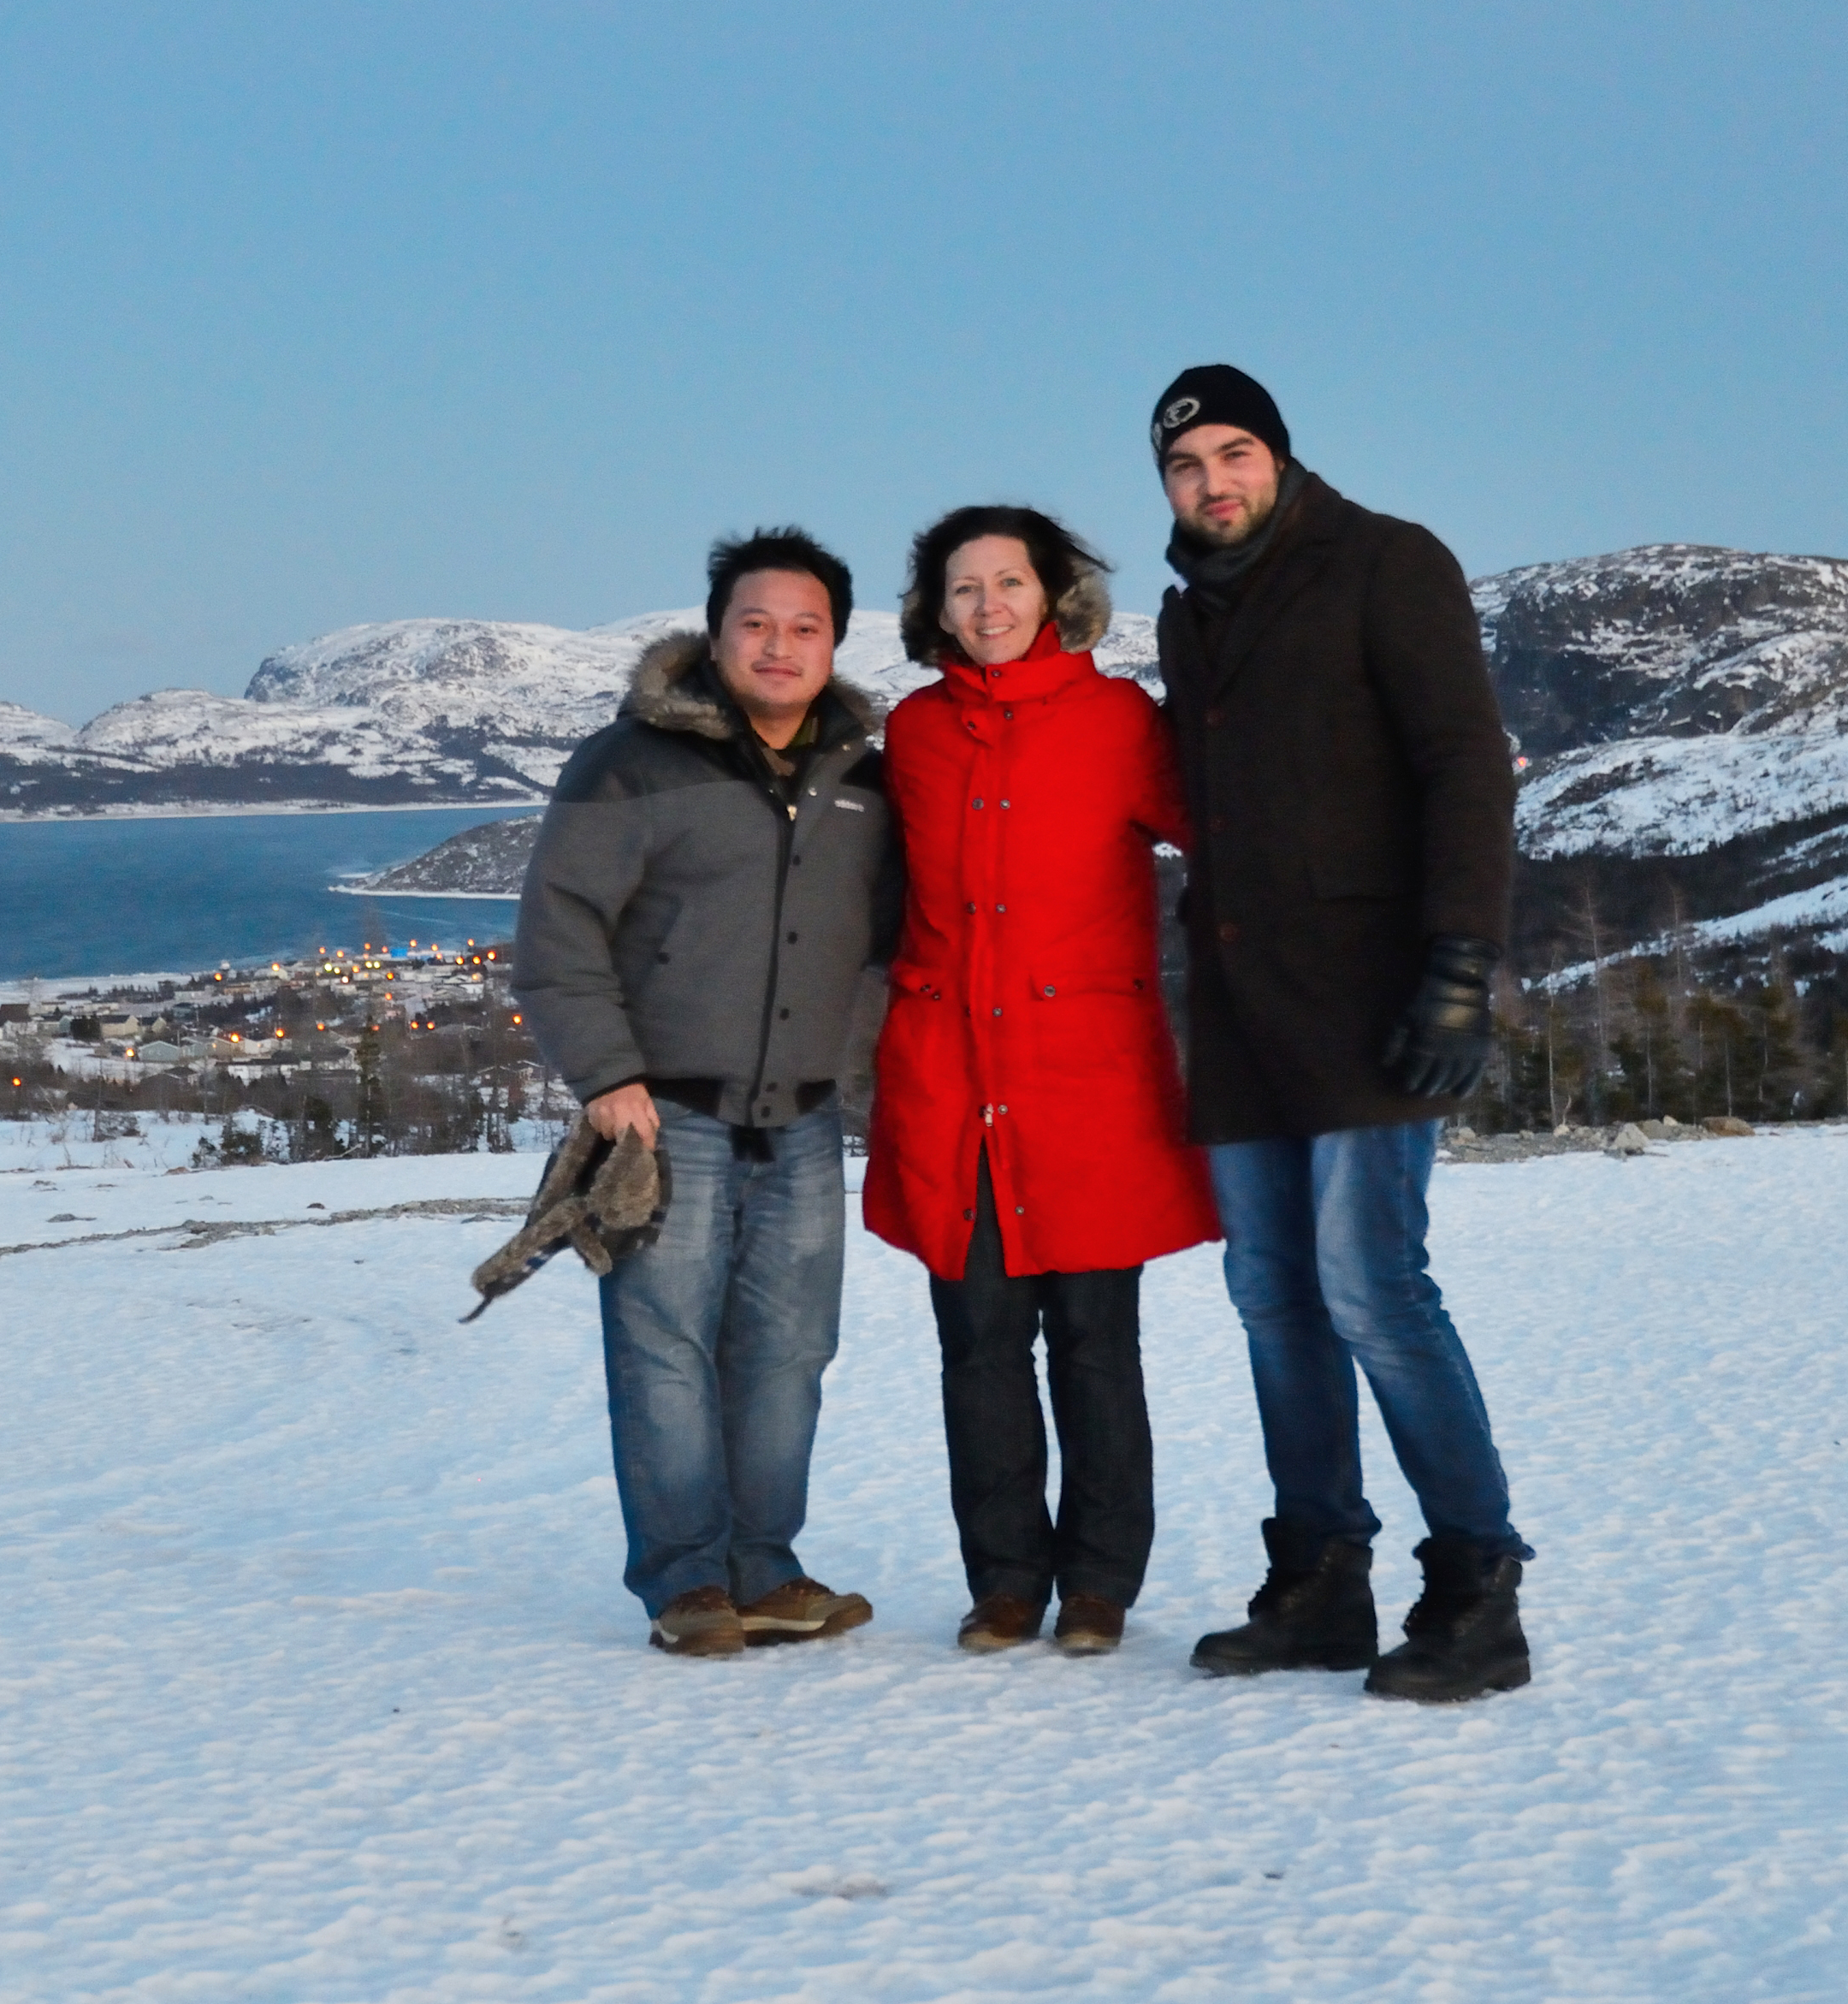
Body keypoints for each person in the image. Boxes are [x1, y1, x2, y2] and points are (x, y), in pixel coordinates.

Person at [1149, 363, 1536, 1703]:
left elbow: (1465, 763)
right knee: (1272, 1295)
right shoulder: (1190, 611)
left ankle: (1477, 1586)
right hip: (1245, 1013)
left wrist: (1460, 966)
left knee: (1372, 1284)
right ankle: (1320, 1579)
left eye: (1232, 454)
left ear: (1281, 456)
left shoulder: (1388, 562)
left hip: (1375, 994)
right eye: (1186, 470)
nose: (1213, 485)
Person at [510, 526, 897, 1658]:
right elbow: (559, 929)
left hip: (807, 1116)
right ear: (716, 632)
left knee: (790, 1349)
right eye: (757, 623)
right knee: (665, 1345)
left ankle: (765, 1571)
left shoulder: (866, 777)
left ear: (834, 642)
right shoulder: (629, 762)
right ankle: (687, 1580)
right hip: (665, 1112)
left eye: (805, 627)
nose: (780, 645)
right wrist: (608, 1076)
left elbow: (888, 937)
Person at [864, 505, 1219, 1657]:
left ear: (1055, 592)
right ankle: (1007, 1582)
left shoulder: (1119, 719)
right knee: (977, 1345)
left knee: (1095, 1342)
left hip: (1087, 1083)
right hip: (949, 1081)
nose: (988, 608)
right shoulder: (914, 732)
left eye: (1008, 583)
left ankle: (1102, 1584)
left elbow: (1228, 829)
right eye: (964, 590)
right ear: (936, 610)